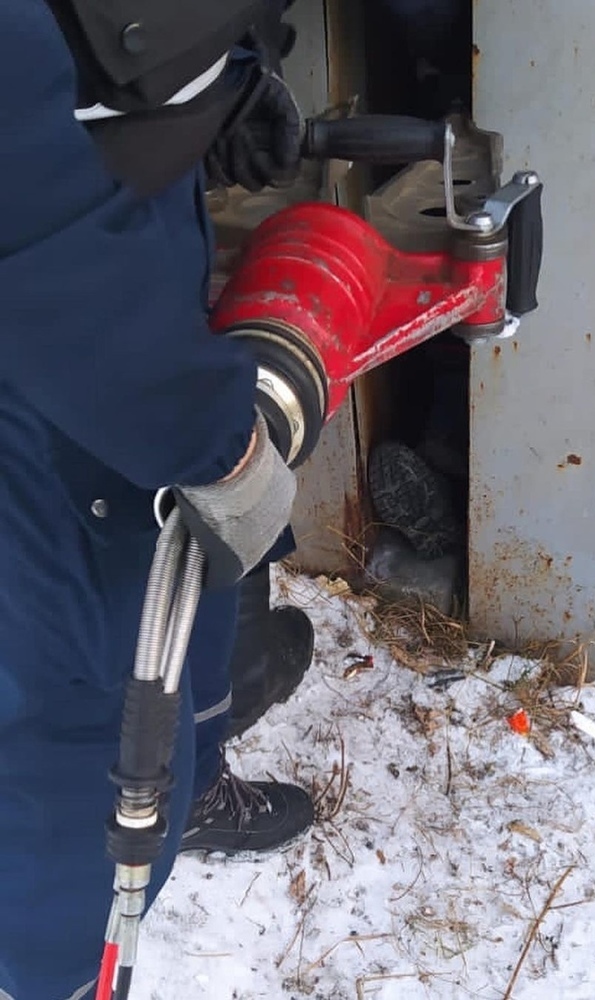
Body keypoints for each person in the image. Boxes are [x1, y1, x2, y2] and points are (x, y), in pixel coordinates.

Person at [0, 2, 315, 998]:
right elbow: (28, 228)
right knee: (74, 734)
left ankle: (191, 781)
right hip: (50, 367)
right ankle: (61, 973)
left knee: (174, 596)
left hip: (107, 257)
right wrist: (213, 443)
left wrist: (205, 90)